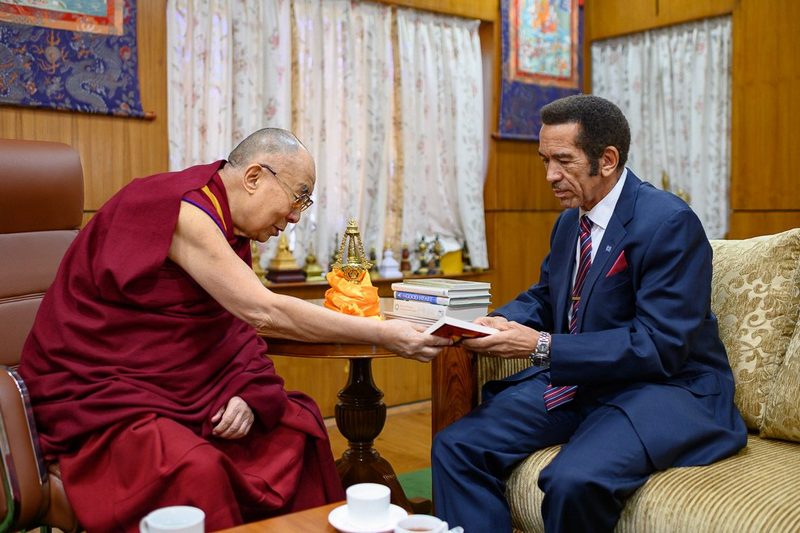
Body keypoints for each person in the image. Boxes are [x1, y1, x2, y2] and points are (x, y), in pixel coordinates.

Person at [19, 128, 450, 532]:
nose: (296, 217)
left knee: (296, 429)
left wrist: (246, 389)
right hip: (105, 398)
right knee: (196, 470)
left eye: (306, 203)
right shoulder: (182, 210)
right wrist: (383, 332)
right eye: (298, 197)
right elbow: (260, 310)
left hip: (176, 392)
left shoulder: (229, 232)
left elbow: (231, 328)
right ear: (254, 177)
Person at [431, 95, 746, 532]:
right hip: (586, 381)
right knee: (456, 446)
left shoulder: (668, 222)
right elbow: (546, 296)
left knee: (572, 479)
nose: (550, 176)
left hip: (664, 389)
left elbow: (660, 346)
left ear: (608, 159)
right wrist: (499, 321)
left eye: (563, 160)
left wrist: (541, 345)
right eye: (545, 160)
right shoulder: (569, 223)